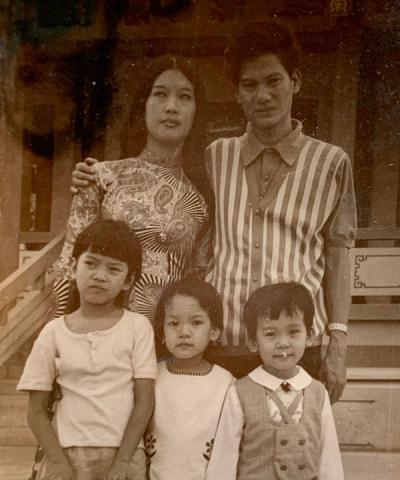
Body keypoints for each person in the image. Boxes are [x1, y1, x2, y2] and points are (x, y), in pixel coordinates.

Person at [72, 21, 357, 402]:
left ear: (297, 81)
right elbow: (163, 180)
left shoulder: (332, 163)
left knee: (295, 454)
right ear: (237, 94)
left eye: (274, 81)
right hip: (224, 346)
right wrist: (93, 175)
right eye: (250, 86)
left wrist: (338, 340)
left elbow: (339, 253)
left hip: (298, 343)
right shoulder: (214, 157)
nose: (264, 96)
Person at [54, 54, 211, 323]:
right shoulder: (102, 177)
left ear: (197, 112)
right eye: (160, 94)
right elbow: (68, 265)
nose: (171, 107)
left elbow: (195, 280)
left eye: (185, 97)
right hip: (98, 338)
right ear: (143, 105)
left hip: (161, 342)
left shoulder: (201, 201)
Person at [18, 219, 157, 480]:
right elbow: (35, 411)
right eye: (90, 263)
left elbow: (144, 400)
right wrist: (58, 462)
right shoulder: (53, 332)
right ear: (72, 267)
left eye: (113, 269)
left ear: (128, 281)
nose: (99, 275)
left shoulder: (137, 327)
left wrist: (124, 461)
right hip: (66, 453)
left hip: (123, 453)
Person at [205, 282, 344, 480]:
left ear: (309, 336)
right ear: (253, 342)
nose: (283, 343)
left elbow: (329, 460)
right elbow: (224, 458)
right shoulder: (239, 392)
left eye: (294, 332)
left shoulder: (318, 392)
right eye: (270, 334)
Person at [144, 278, 234, 479]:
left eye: (196, 322)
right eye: (174, 323)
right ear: (162, 333)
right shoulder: (151, 375)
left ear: (214, 331)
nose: (184, 332)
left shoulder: (225, 382)